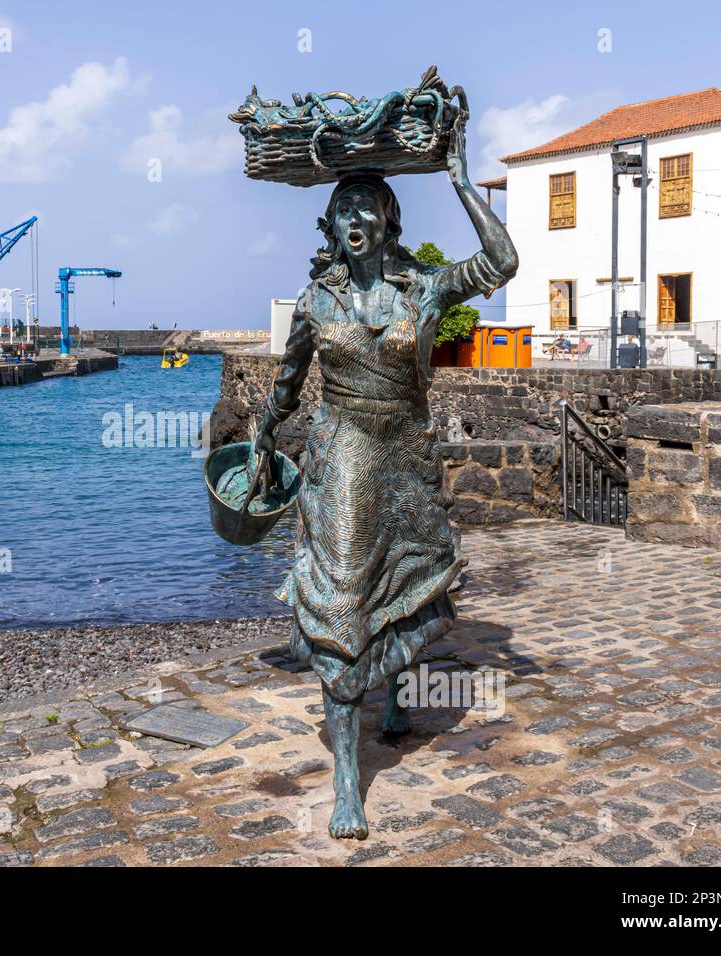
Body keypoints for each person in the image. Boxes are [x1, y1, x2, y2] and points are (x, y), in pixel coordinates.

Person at [252, 111, 517, 839]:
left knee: (399, 584)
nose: (356, 219)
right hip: (338, 457)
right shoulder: (315, 302)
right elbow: (286, 382)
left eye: (367, 208)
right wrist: (261, 434)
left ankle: (397, 697)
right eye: (344, 212)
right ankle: (347, 782)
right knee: (343, 601)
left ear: (388, 221)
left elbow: (501, 264)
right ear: (331, 227)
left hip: (403, 454)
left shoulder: (423, 290)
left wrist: (463, 183)